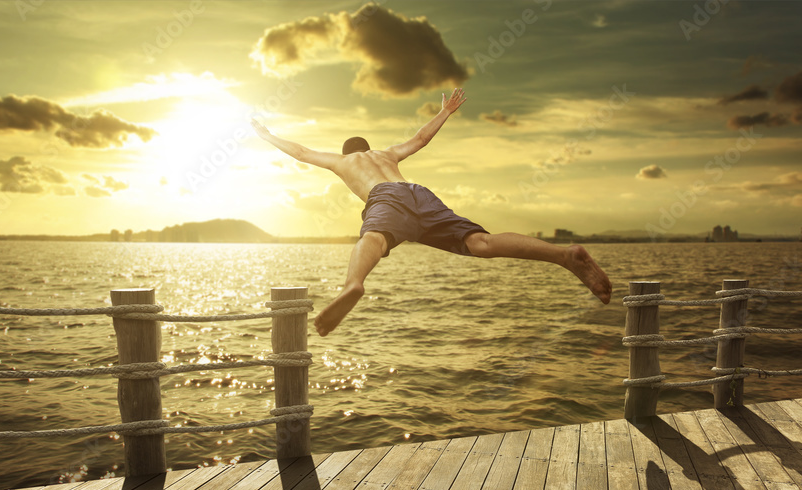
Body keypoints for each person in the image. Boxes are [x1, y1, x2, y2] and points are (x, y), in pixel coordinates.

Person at [251, 87, 612, 337]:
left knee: (374, 237)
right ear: (370, 148)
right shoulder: (387, 154)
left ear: (347, 152)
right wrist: (445, 111)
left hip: (387, 198)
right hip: (419, 194)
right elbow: (420, 138)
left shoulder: (342, 161)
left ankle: (354, 283)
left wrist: (268, 136)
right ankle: (565, 256)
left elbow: (299, 152)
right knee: (480, 243)